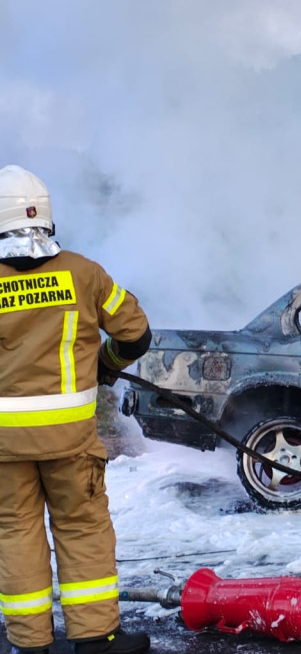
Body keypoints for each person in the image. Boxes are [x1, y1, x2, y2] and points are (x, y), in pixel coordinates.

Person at [0, 166, 152, 654]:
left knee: (16, 532)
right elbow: (136, 335)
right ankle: (95, 639)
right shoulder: (83, 272)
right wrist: (105, 367)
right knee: (82, 527)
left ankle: (30, 644)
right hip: (71, 439)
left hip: (4, 444)